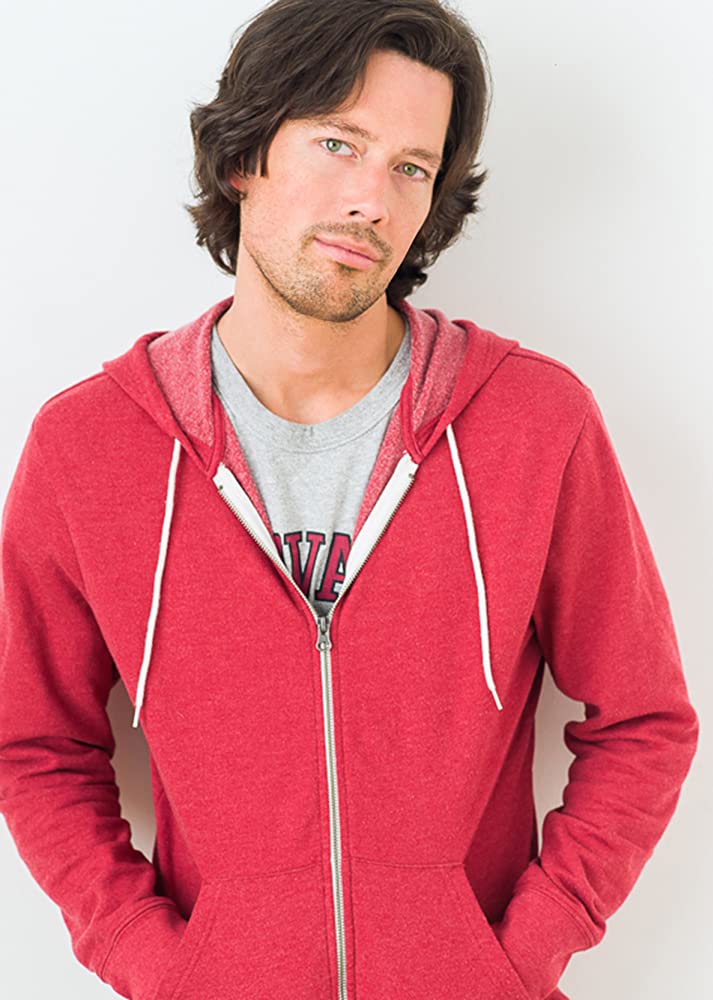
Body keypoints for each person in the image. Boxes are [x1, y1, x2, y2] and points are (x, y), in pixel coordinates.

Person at [0, 1, 699, 998]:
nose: (372, 199)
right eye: (338, 143)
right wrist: (159, 967)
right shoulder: (90, 448)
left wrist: (517, 956)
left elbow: (642, 719)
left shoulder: (534, 424)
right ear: (242, 158)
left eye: (411, 167)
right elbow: (34, 744)